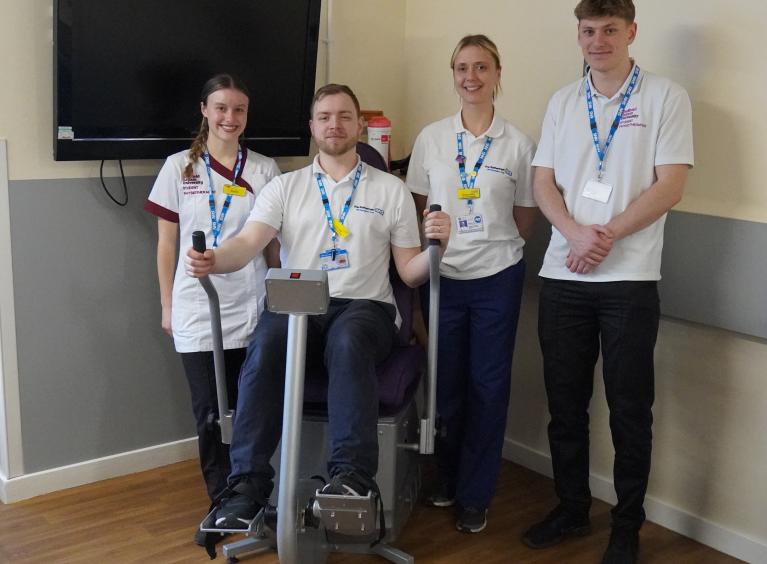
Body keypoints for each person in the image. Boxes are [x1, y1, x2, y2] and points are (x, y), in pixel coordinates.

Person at [184, 83, 451, 529]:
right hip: (298, 304)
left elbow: (408, 273)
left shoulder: (391, 190)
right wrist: (213, 260)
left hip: (366, 309)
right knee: (267, 340)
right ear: (312, 126)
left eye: (345, 116)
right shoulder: (285, 188)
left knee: (348, 341)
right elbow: (248, 244)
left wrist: (438, 247)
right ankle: (247, 485)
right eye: (325, 116)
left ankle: (350, 478)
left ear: (360, 125)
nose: (335, 124)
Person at [520, 1, 693, 563]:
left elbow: (670, 186)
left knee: (628, 409)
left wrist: (607, 235)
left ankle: (627, 525)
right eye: (589, 31)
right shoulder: (562, 102)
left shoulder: (666, 96)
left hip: (629, 280)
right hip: (564, 275)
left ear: (631, 33)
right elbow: (543, 181)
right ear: (579, 36)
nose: (598, 41)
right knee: (565, 406)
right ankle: (572, 508)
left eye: (610, 30)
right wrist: (573, 234)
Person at [406, 34, 537, 534]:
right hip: (442, 279)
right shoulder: (432, 138)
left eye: (482, 67)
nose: (471, 77)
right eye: (462, 67)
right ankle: (447, 478)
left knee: (488, 387)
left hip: (497, 278)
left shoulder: (518, 144)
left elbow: (524, 218)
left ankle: (475, 494)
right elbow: (417, 211)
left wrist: (490, 246)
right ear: (454, 75)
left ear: (498, 74)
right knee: (447, 385)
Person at [144, 74, 280, 544]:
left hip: (250, 304)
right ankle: (222, 504)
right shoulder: (178, 167)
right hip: (196, 307)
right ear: (204, 109)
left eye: (239, 109)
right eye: (221, 108)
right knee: (209, 413)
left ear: (246, 115)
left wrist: (280, 301)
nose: (230, 118)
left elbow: (273, 248)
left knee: (251, 411)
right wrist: (166, 304)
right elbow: (166, 245)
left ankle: (255, 497)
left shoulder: (264, 170)